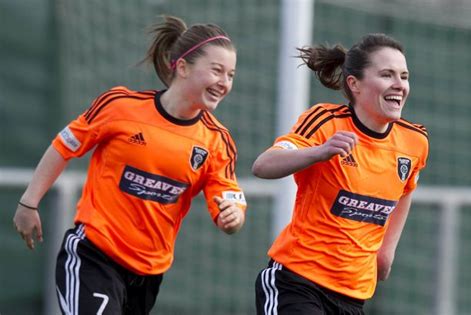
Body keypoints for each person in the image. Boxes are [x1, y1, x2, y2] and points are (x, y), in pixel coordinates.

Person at [13, 15, 247, 315]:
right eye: (217, 71)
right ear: (183, 67)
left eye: (231, 75)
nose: (224, 83)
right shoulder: (120, 106)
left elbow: (229, 197)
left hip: (148, 274)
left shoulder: (217, 141)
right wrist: (29, 202)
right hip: (93, 257)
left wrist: (233, 216)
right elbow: (64, 146)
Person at [253, 33, 429, 314]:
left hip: (353, 294)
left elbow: (405, 190)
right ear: (354, 84)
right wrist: (320, 152)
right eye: (387, 75)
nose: (399, 85)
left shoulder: (415, 140)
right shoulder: (325, 121)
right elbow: (263, 165)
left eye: (404, 76)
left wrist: (386, 251)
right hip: (297, 282)